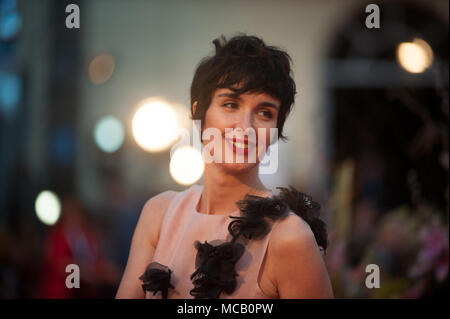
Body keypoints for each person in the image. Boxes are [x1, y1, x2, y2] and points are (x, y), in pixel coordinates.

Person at [116, 34, 334, 299]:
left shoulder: (289, 236)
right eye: (230, 104)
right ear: (199, 112)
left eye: (265, 112)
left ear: (276, 130)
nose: (246, 127)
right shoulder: (159, 215)